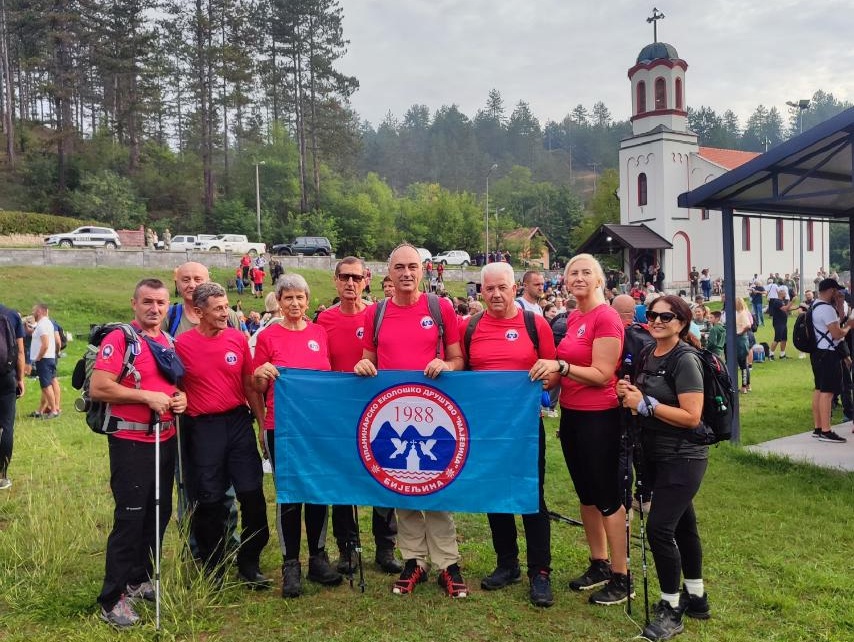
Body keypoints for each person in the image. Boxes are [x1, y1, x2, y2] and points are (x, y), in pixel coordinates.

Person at [354, 243, 467, 598]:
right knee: (402, 485)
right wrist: (363, 366)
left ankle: (448, 563)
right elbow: (367, 358)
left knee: (435, 483)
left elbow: (458, 358)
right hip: (392, 412)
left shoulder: (440, 307)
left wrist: (446, 366)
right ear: (389, 273)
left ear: (423, 270)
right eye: (399, 267)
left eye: (412, 267)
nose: (406, 273)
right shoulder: (377, 312)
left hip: (433, 411)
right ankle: (413, 560)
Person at [91, 278, 187, 628]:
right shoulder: (121, 339)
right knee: (130, 518)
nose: (155, 308)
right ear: (134, 303)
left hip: (165, 438)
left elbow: (173, 385)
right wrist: (147, 397)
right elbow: (99, 386)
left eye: (161, 303)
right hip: (131, 442)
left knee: (158, 515)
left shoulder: (168, 341)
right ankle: (111, 599)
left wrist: (180, 400)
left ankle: (138, 579)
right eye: (147, 302)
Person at [617, 294, 711, 642]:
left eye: (666, 317)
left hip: (684, 457)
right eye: (652, 315)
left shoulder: (685, 359)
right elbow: (642, 399)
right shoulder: (647, 353)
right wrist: (628, 393)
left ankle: (671, 608)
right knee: (684, 524)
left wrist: (645, 404)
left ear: (682, 322)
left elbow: (691, 416)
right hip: (656, 454)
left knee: (659, 529)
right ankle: (697, 597)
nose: (657, 321)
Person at [538, 254, 630, 606]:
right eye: (572, 272)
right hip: (573, 416)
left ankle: (622, 576)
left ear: (598, 280)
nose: (578, 277)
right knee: (586, 495)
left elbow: (602, 373)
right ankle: (599, 563)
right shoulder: (574, 316)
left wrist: (561, 365)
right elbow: (566, 371)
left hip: (600, 417)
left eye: (585, 272)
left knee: (607, 496)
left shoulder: (605, 316)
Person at [470, 262, 559, 607]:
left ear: (514, 289)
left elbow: (553, 372)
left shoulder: (534, 324)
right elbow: (462, 368)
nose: (495, 294)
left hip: (523, 428)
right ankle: (507, 563)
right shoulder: (472, 326)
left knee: (530, 494)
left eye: (501, 287)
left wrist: (543, 389)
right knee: (495, 493)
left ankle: (540, 572)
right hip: (487, 428)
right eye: (488, 288)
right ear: (481, 291)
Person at [174, 282, 271, 588]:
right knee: (209, 501)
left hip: (237, 423)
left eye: (226, 306)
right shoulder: (182, 345)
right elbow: (173, 386)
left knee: (253, 495)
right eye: (217, 308)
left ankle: (249, 561)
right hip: (202, 428)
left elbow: (248, 384)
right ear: (198, 311)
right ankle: (213, 565)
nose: (224, 312)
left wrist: (261, 424)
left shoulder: (237, 338)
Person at [252, 273, 342, 597]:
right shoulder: (268, 337)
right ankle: (291, 563)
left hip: (315, 427)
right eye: (287, 298)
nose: (294, 304)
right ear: (278, 300)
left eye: (299, 298)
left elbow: (327, 379)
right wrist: (261, 375)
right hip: (282, 426)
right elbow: (258, 385)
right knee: (290, 495)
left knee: (317, 490)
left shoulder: (319, 333)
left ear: (307, 300)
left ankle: (318, 558)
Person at [316, 257, 402, 576]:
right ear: (335, 281)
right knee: (343, 482)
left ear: (366, 280)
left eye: (356, 277)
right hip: (339, 413)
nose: (350, 283)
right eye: (344, 277)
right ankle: (349, 548)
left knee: (383, 477)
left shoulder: (378, 315)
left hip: (378, 411)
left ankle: (385, 547)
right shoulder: (322, 320)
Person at [165, 261, 243, 559]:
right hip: (187, 419)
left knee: (226, 487)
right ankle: (196, 548)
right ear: (176, 281)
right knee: (189, 484)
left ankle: (230, 543)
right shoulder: (170, 317)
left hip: (225, 419)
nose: (192, 284)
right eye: (186, 278)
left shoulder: (229, 317)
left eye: (198, 278)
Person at [810, 278, 850, 443]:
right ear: (831, 290)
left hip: (818, 352)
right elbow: (837, 333)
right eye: (837, 291)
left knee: (819, 390)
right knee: (828, 392)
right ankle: (826, 431)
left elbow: (835, 321)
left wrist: (840, 306)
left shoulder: (815, 305)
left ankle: (818, 427)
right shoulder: (826, 309)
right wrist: (849, 327)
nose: (839, 294)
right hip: (829, 354)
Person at [0, 303, 25, 490]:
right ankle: (2, 476)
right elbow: (20, 351)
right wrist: (21, 378)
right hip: (6, 377)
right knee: (7, 426)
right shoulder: (11, 315)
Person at [29, 303, 59, 419]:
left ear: (40, 311)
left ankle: (54, 410)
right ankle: (41, 410)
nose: (32, 313)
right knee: (46, 385)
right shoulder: (45, 324)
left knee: (46, 386)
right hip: (48, 358)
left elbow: (45, 344)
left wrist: (38, 357)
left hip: (44, 359)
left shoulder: (43, 325)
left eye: (34, 311)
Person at [734, 298, 753, 393]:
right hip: (740, 339)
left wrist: (740, 332)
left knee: (742, 364)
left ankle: (744, 386)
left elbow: (748, 325)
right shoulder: (739, 313)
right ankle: (747, 384)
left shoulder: (742, 313)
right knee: (743, 364)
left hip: (741, 339)